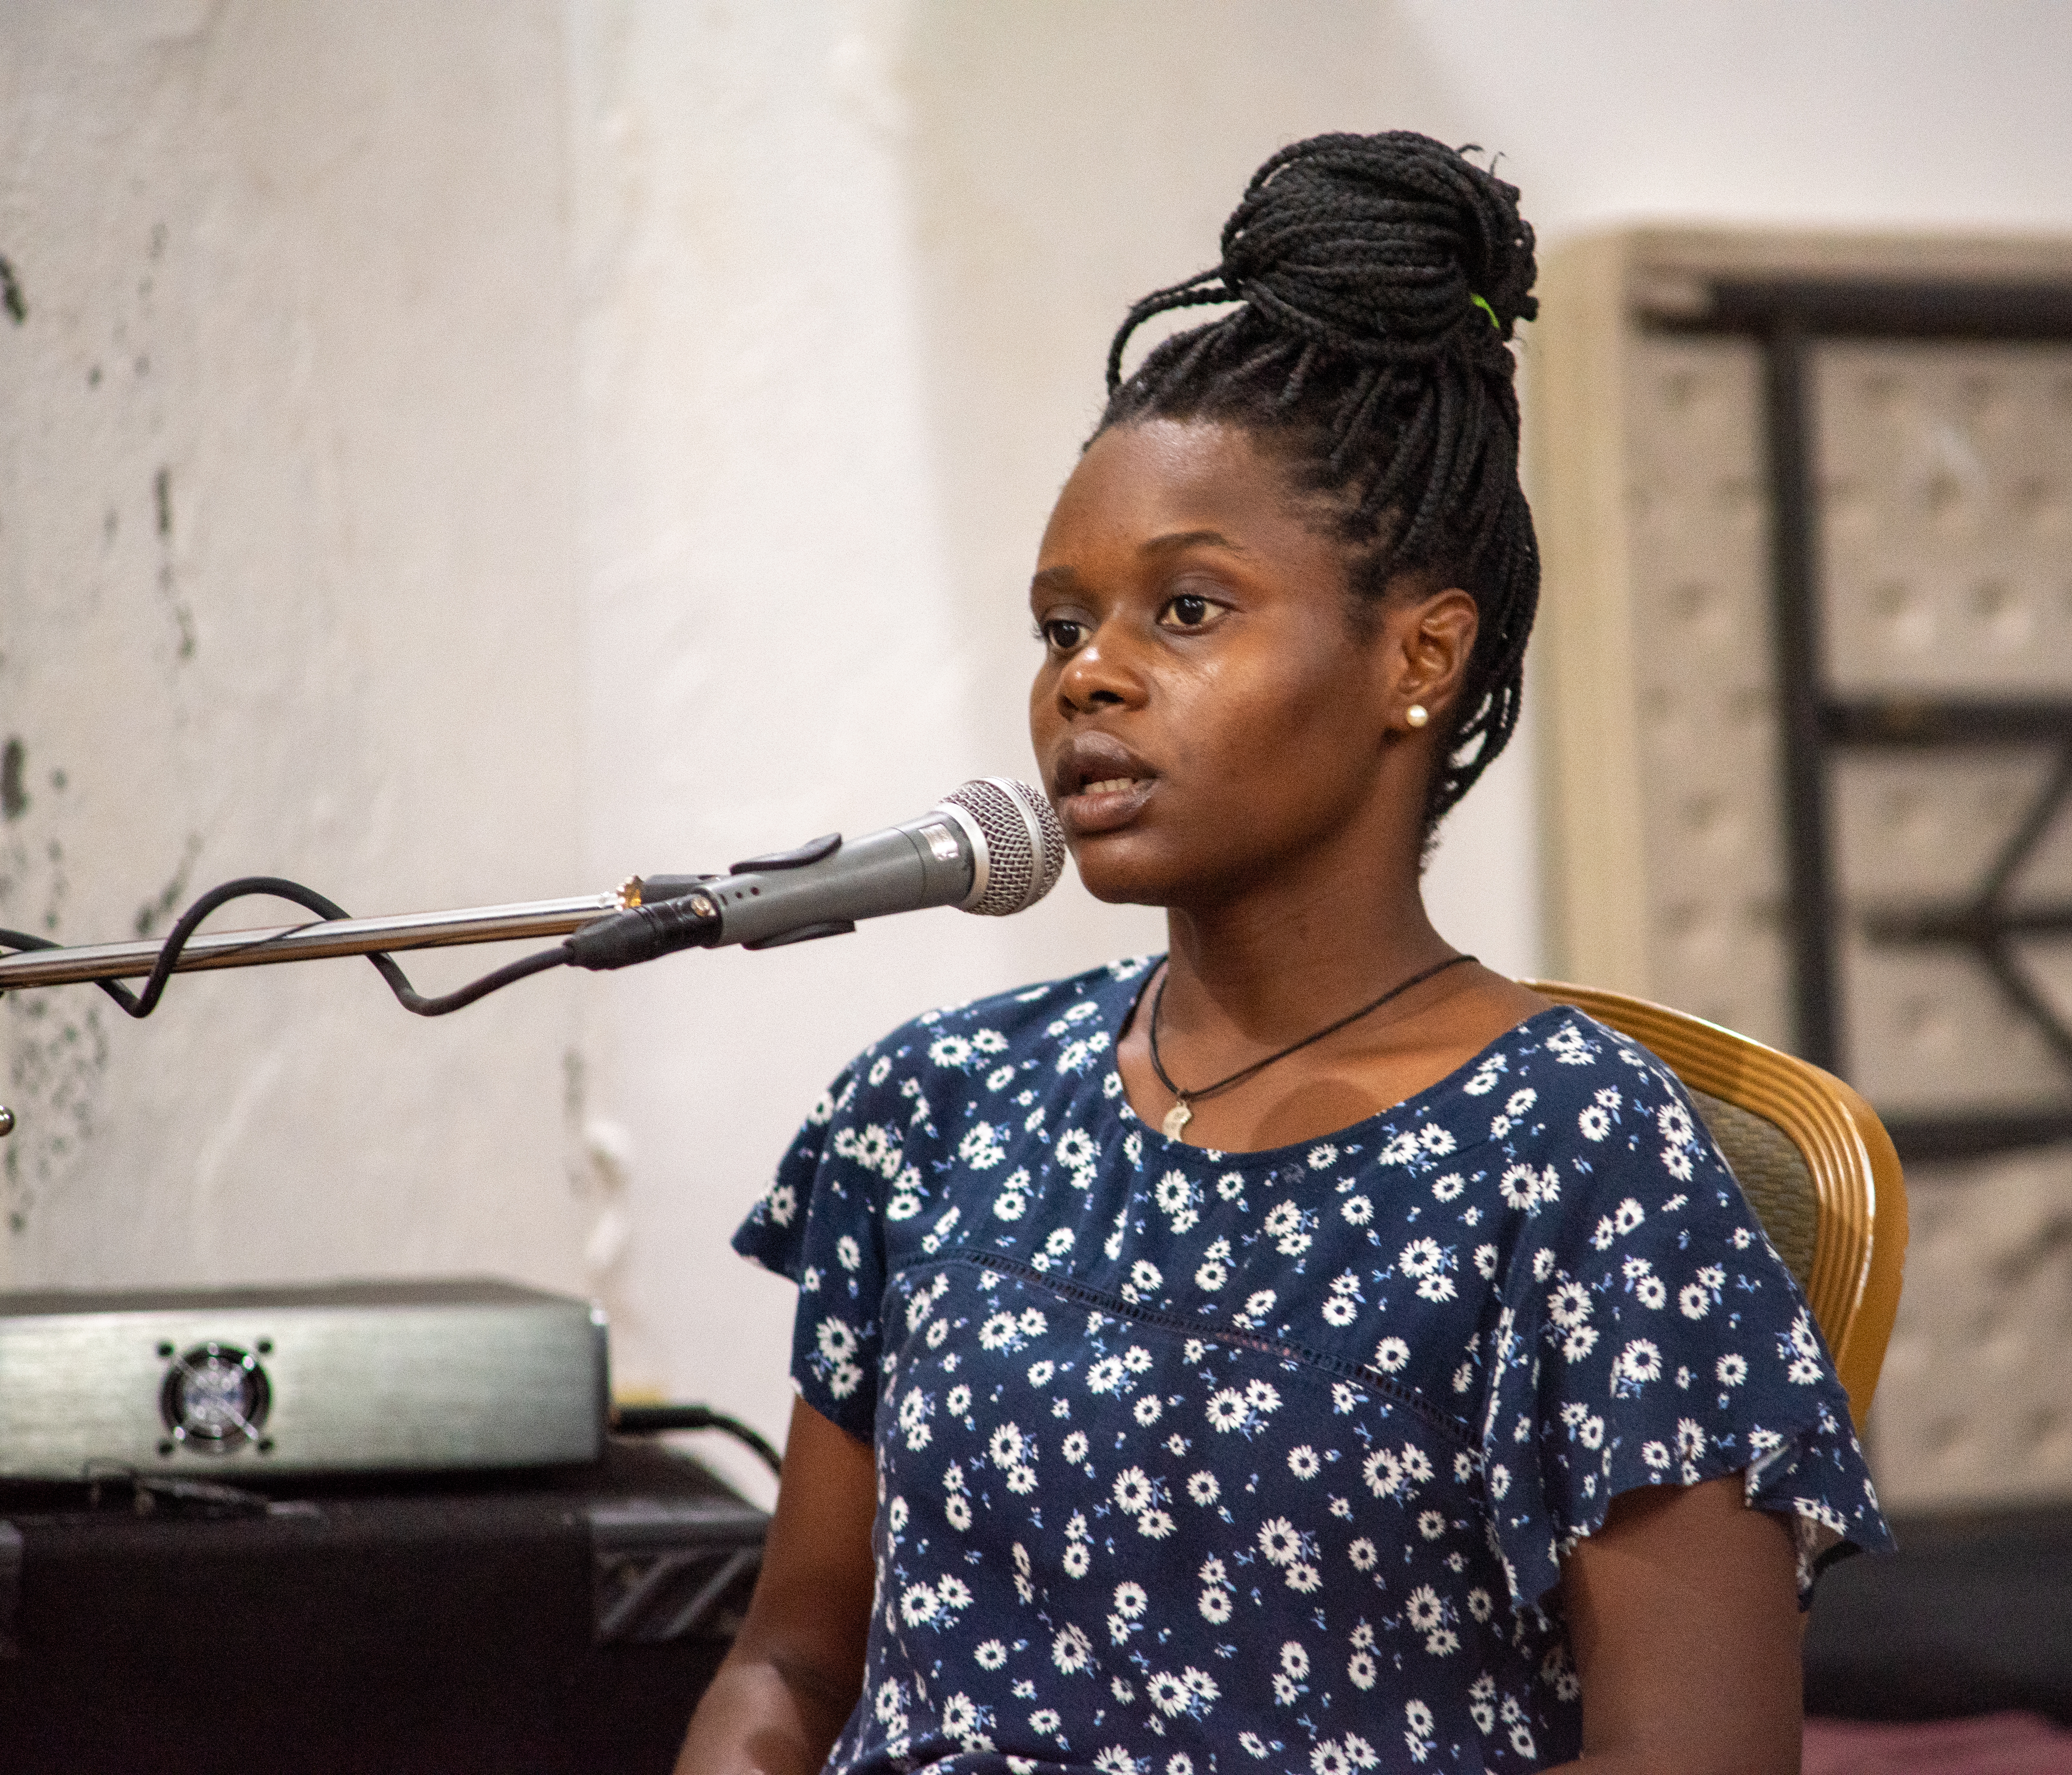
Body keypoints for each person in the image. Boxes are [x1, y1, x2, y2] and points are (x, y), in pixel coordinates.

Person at [676, 131, 1889, 1775]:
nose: (1086, 678)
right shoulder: (939, 1105)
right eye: (1061, 624)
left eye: (1186, 611)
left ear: (1421, 658)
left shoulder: (1574, 1156)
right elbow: (795, 1671)